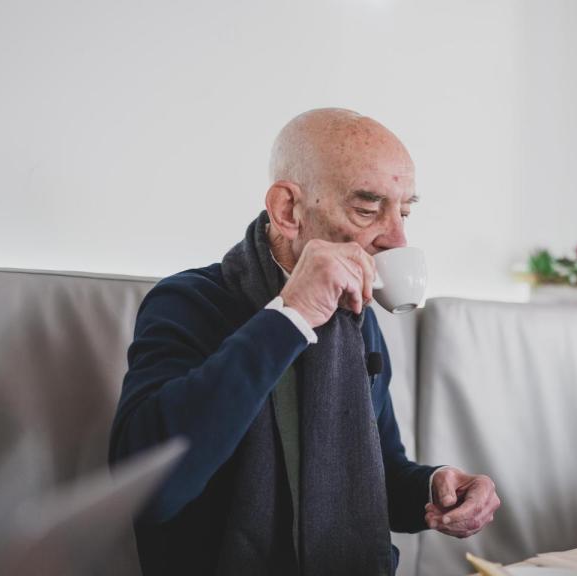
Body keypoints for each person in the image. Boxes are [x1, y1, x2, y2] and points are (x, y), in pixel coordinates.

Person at [109, 108, 501, 575]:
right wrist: (290, 315)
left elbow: (379, 476)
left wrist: (437, 487)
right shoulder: (188, 301)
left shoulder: (356, 318)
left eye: (405, 211)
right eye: (367, 208)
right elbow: (148, 490)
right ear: (287, 210)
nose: (398, 238)